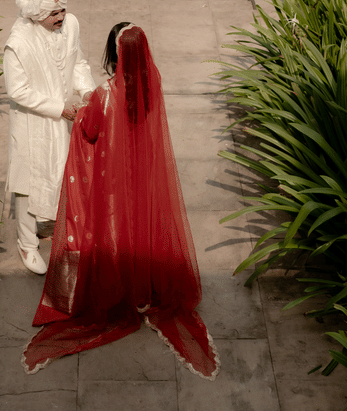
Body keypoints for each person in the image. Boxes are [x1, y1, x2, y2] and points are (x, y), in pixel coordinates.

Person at [21, 23, 220, 380]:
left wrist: (81, 108)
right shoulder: (151, 85)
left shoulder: (105, 95)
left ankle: (120, 291)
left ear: (115, 53)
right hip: (143, 173)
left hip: (113, 179)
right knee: (142, 225)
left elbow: (90, 130)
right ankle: (144, 289)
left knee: (116, 228)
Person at [3, 0, 95, 275]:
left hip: (63, 121)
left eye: (63, 10)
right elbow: (17, 91)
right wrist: (59, 109)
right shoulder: (18, 42)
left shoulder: (71, 26)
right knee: (28, 183)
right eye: (54, 14)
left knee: (60, 173)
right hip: (33, 122)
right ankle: (27, 244)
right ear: (35, 16)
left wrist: (86, 92)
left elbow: (78, 61)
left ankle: (50, 223)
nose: (61, 18)